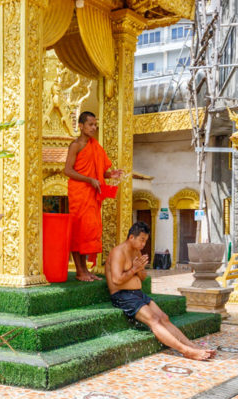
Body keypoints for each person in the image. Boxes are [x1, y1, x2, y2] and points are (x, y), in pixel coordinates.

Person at [106, 222, 216, 361]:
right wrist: (134, 269)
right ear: (131, 237)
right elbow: (116, 280)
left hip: (137, 293)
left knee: (164, 317)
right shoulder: (118, 252)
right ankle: (185, 351)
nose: (143, 244)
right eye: (142, 240)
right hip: (122, 295)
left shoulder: (136, 252)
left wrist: (139, 269)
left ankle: (191, 346)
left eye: (146, 241)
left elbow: (144, 276)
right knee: (154, 320)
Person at [64, 111, 123, 281]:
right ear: (81, 126)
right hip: (79, 192)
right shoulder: (75, 145)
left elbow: (99, 171)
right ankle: (80, 271)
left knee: (88, 230)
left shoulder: (95, 145)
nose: (94, 128)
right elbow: (67, 170)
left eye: (95, 124)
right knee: (78, 230)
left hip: (91, 193)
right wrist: (89, 180)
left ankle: (86, 269)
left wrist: (110, 174)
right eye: (90, 124)